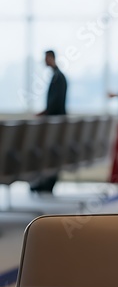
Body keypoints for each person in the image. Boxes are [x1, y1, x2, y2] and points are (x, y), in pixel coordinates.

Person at [30, 49, 68, 193]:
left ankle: (49, 183)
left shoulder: (58, 77)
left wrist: (44, 113)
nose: (44, 61)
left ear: (51, 58)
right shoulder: (58, 76)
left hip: (55, 122)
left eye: (46, 58)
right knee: (52, 153)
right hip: (56, 120)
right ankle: (47, 182)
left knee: (52, 153)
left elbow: (55, 103)